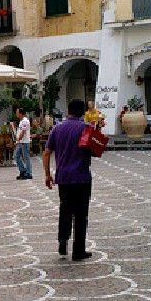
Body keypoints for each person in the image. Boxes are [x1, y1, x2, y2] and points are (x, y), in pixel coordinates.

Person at [43, 99, 95, 262]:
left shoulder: (57, 129)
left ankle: (62, 240)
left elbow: (46, 152)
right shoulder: (87, 128)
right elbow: (96, 150)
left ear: (68, 111)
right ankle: (78, 250)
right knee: (80, 214)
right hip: (81, 177)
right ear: (82, 113)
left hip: (63, 177)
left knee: (65, 209)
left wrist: (47, 174)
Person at [13, 107, 32, 180]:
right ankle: (22, 170)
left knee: (26, 157)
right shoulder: (21, 121)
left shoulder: (25, 121)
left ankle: (28, 173)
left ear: (21, 113)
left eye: (17, 112)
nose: (16, 114)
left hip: (24, 142)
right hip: (21, 142)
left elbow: (23, 132)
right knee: (16, 156)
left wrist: (17, 140)